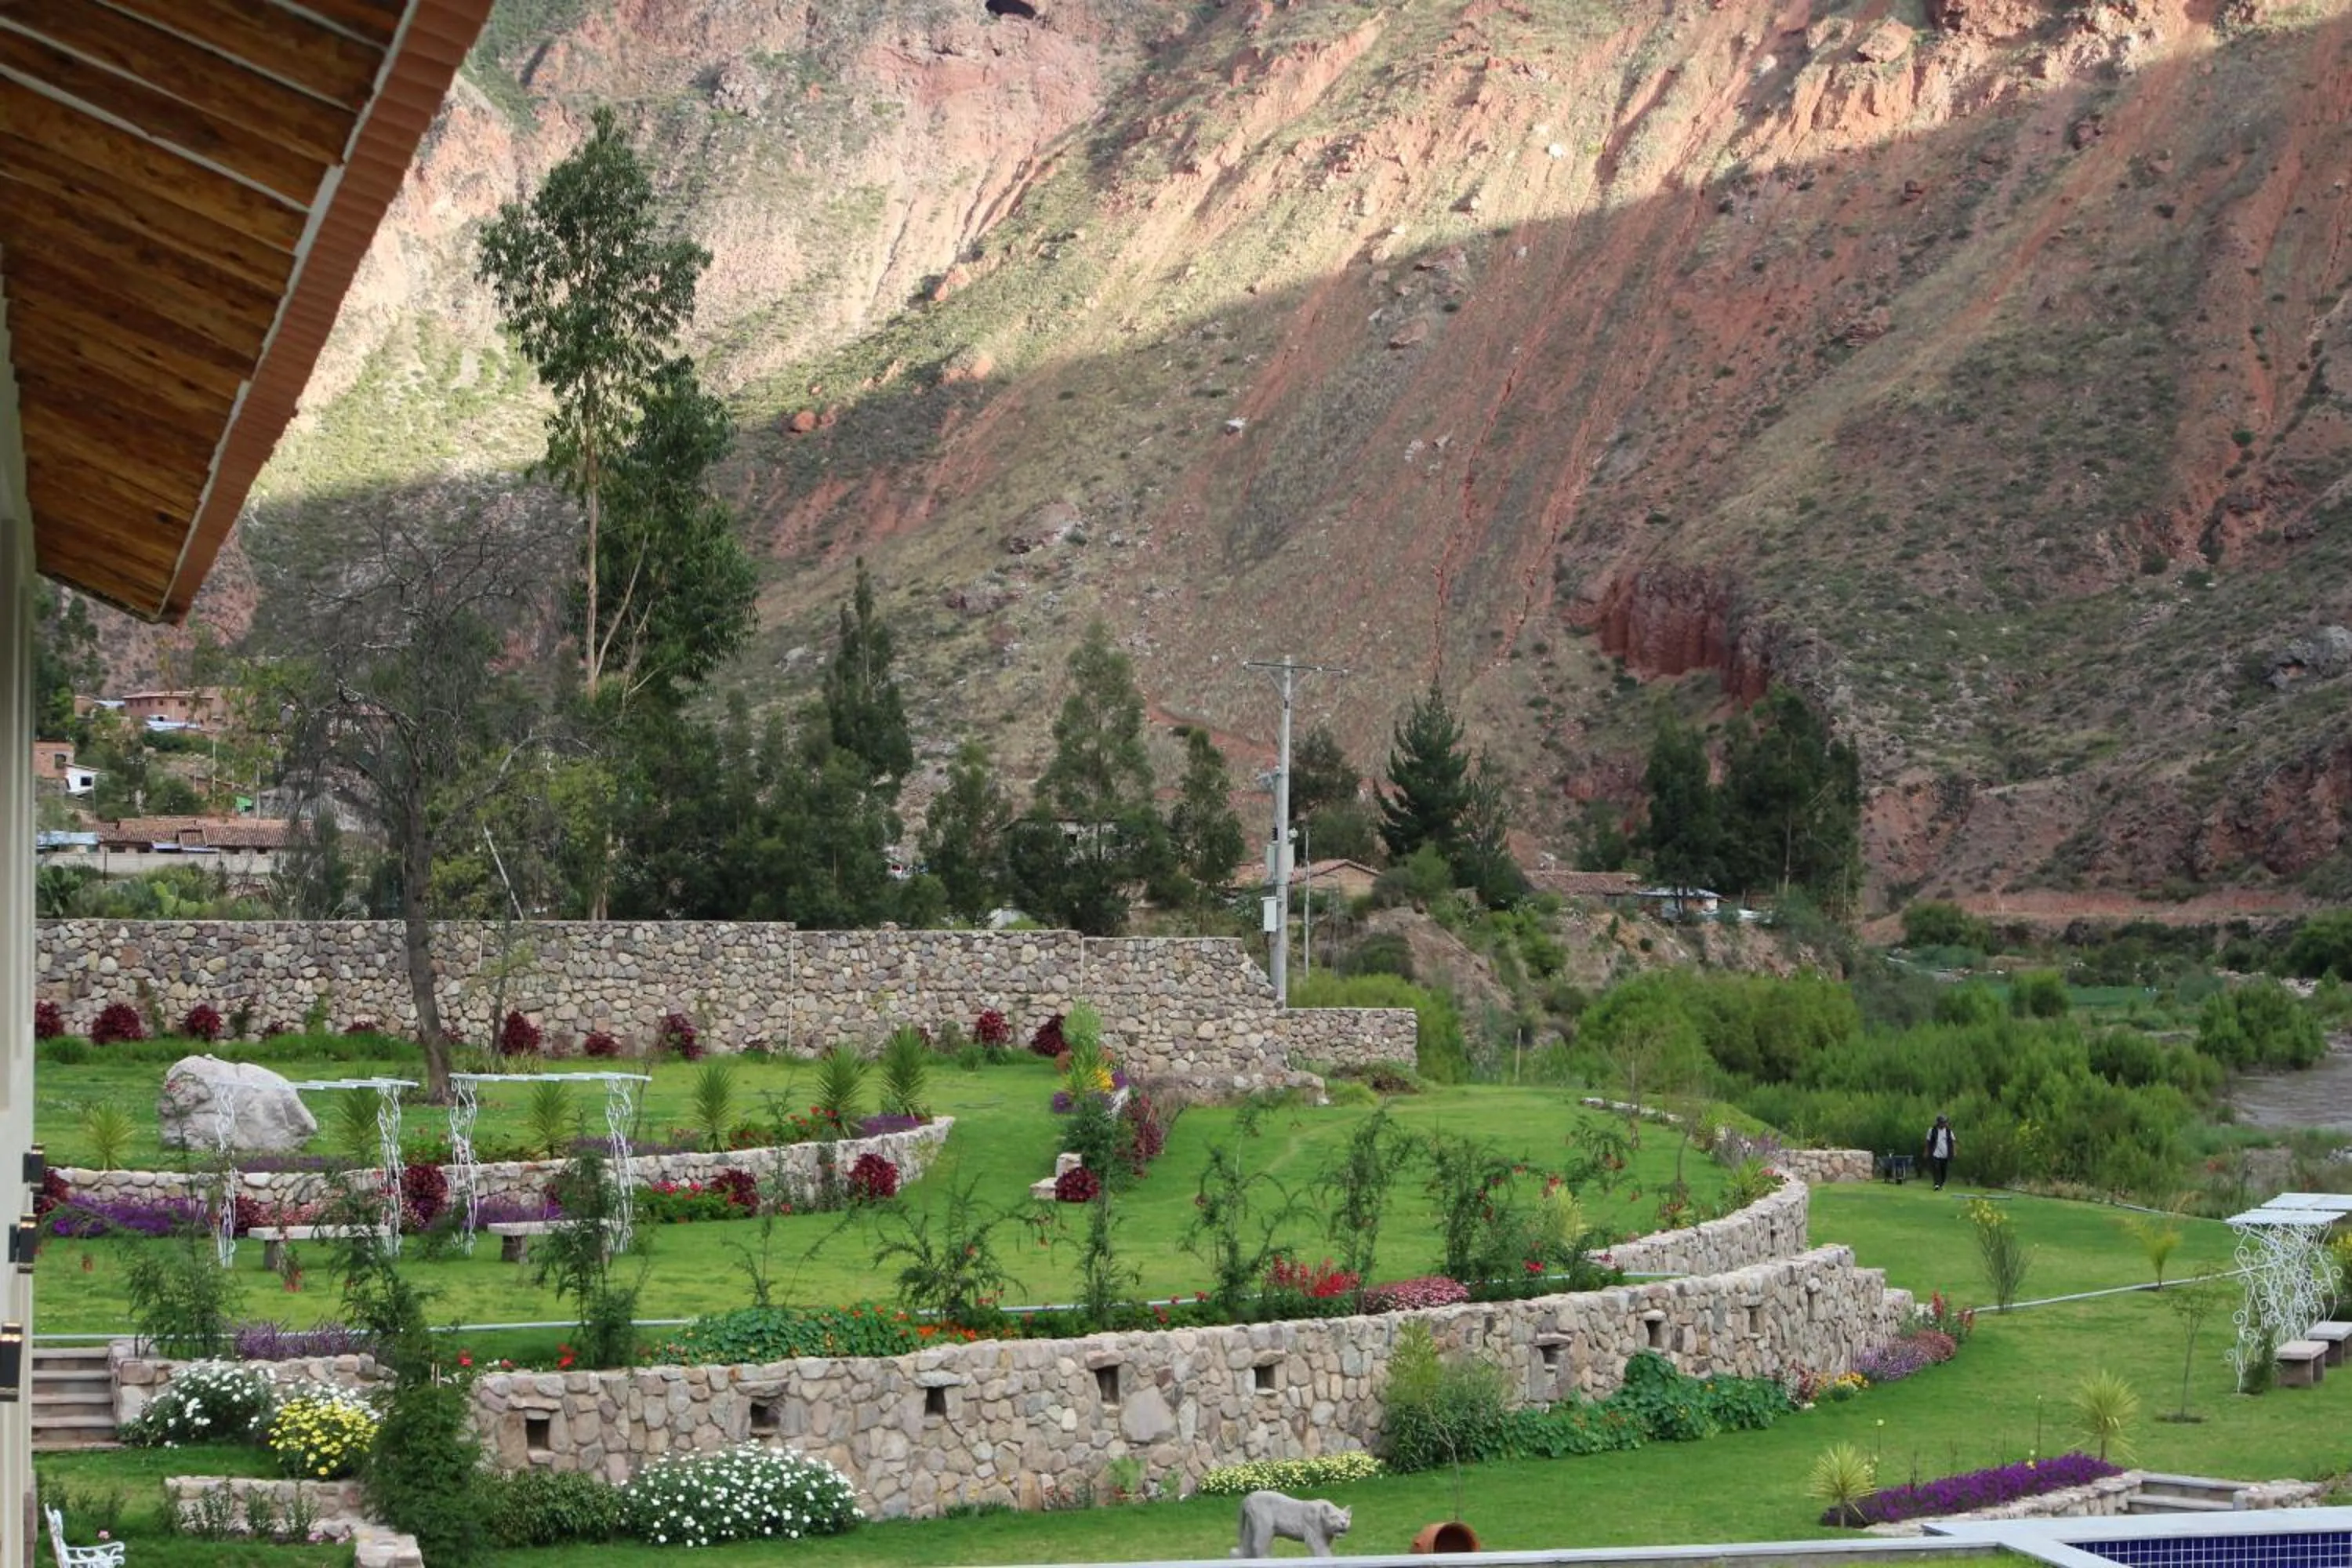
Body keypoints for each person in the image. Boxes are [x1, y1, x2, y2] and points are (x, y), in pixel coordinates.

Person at [1922, 1113, 1956, 1191]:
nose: (1943, 1124)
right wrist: (1926, 1151)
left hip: (1945, 1153)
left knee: (1944, 1170)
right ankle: (1937, 1184)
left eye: (1945, 1122)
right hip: (1935, 1153)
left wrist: (1954, 1151)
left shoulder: (1949, 1131)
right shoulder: (1932, 1130)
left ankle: (1942, 1184)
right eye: (1942, 1122)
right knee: (1936, 1168)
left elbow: (1953, 1141)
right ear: (1938, 1122)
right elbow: (1928, 1141)